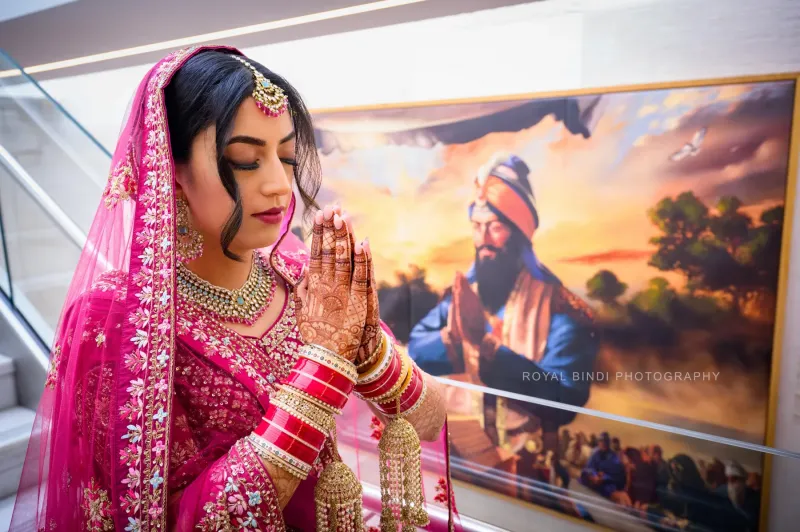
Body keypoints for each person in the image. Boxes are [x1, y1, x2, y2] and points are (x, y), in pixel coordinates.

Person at [10, 46, 455, 531]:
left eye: (286, 157)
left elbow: (430, 419)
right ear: (170, 169)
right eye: (245, 160)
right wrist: (323, 369)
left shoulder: (299, 276)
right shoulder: (117, 320)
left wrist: (367, 350)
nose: (280, 186)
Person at [408, 153, 599, 454]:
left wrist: (494, 358)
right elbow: (416, 349)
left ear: (520, 233)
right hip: (456, 448)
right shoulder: (463, 295)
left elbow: (565, 397)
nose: (483, 238)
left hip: (522, 455)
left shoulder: (560, 308)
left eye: (495, 227)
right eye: (476, 226)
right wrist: (458, 341)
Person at [580, 432, 626, 499]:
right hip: (595, 479)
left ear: (608, 443)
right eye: (601, 441)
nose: (603, 443)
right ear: (598, 442)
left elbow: (616, 474)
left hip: (607, 482)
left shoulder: (614, 457)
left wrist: (603, 477)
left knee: (609, 488)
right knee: (584, 474)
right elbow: (589, 467)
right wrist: (594, 475)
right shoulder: (595, 453)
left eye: (605, 441)